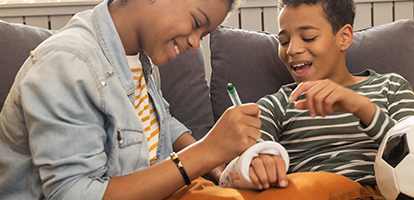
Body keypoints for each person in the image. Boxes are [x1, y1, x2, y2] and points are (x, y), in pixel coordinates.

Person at [0, 0, 285, 199]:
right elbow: (74, 193)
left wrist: (217, 161)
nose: (196, 43)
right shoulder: (67, 65)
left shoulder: (137, 54)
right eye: (196, 22)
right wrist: (205, 153)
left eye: (204, 33)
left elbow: (158, 118)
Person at [257, 0, 414, 198]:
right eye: (284, 41)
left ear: (344, 37)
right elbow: (251, 155)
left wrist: (363, 108)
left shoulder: (391, 87)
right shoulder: (276, 104)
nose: (292, 50)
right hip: (310, 192)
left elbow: (412, 158)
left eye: (308, 37)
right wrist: (256, 157)